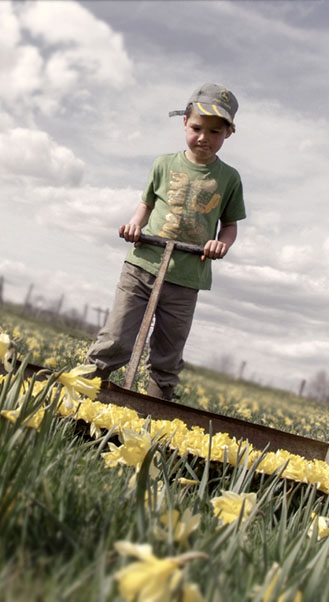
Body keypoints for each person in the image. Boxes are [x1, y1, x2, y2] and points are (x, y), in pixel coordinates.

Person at [86, 82, 247, 400]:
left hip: (187, 277)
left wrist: (221, 244)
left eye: (215, 132)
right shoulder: (163, 164)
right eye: (198, 128)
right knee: (116, 338)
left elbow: (229, 225)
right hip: (143, 264)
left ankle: (155, 415)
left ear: (228, 133)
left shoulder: (229, 178)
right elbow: (146, 205)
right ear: (184, 122)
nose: (204, 137)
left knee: (168, 354)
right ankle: (83, 394)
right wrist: (135, 225)